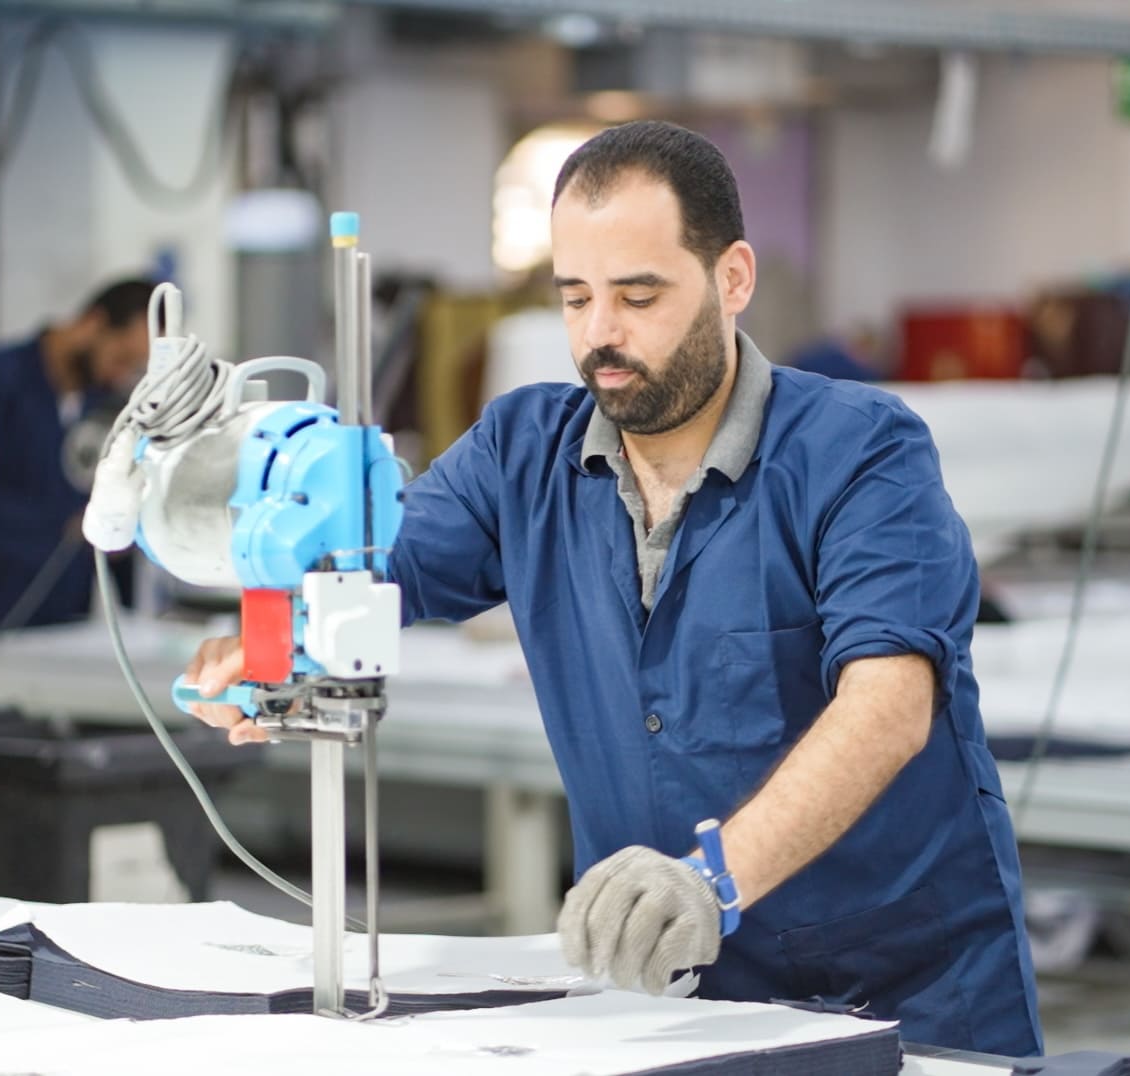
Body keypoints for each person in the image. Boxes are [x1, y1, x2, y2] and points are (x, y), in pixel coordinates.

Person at [184, 121, 1042, 1055]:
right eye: (576, 297)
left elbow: (889, 707)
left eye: (639, 295)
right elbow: (375, 567)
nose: (601, 335)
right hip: (659, 998)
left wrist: (713, 880)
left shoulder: (860, 451)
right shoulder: (522, 455)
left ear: (733, 279)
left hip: (900, 992)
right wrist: (279, 642)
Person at [0, 278, 155, 630]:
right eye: (121, 358)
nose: (121, 375)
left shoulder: (102, 403)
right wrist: (62, 524)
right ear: (93, 323)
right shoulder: (3, 381)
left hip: (65, 622)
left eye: (134, 367)